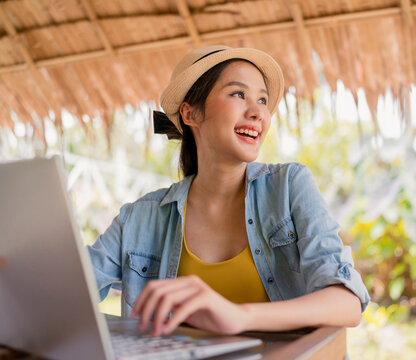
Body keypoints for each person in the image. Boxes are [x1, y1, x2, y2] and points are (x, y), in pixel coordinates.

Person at [88, 45, 370, 337]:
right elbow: (64, 289)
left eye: (262, 99)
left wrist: (240, 316)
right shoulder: (140, 218)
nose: (257, 111)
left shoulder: (288, 186)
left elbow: (347, 302)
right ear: (190, 113)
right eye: (238, 94)